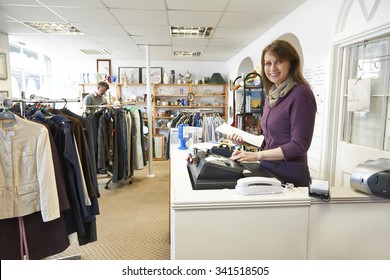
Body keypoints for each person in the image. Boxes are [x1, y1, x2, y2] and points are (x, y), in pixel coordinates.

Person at [230, 40, 317, 187]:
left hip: (290, 175)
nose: (272, 68)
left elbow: (299, 145)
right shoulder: (272, 95)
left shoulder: (301, 93)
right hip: (268, 169)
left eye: (279, 62)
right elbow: (272, 141)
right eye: (268, 63)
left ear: (291, 63)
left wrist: (257, 155)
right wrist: (246, 141)